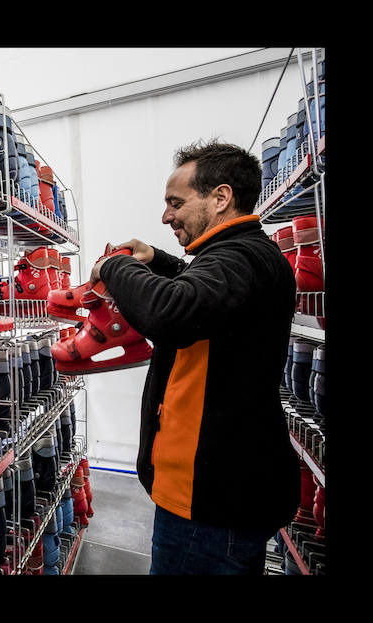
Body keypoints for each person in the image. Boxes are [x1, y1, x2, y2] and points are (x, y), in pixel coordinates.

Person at [90, 139, 301, 575]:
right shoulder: (243, 255)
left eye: (176, 202)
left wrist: (115, 265)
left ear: (221, 198)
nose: (166, 215)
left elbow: (172, 311)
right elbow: (206, 291)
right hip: (224, 492)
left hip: (209, 503)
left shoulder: (241, 257)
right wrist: (159, 260)